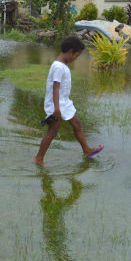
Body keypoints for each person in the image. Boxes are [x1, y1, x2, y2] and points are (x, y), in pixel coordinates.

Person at [33, 36, 103, 166]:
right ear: (70, 51)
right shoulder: (58, 67)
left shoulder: (63, 65)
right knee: (52, 131)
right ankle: (39, 158)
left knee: (77, 124)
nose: (76, 58)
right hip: (57, 105)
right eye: (77, 55)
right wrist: (56, 109)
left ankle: (87, 150)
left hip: (64, 102)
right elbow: (56, 87)